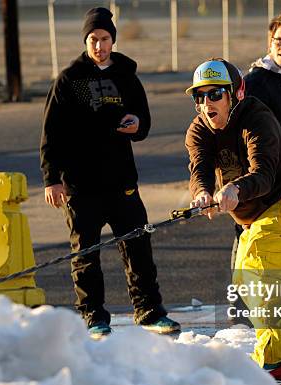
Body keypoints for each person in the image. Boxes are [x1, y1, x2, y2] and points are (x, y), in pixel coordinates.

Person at [185, 58, 281, 380]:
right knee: (246, 279)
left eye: (215, 94)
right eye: (199, 96)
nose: (206, 103)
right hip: (262, 215)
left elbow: (264, 175)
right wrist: (203, 193)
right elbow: (199, 169)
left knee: (261, 271)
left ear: (236, 93)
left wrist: (234, 189)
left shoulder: (256, 119)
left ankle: (277, 356)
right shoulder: (199, 129)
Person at [39, 7, 180, 339]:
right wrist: (51, 179)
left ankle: (148, 310)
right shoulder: (69, 80)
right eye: (93, 39)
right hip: (80, 185)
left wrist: (137, 126)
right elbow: (51, 134)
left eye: (104, 39)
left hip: (121, 183)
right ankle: (94, 316)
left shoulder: (127, 76)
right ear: (85, 41)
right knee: (85, 254)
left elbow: (143, 119)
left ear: (113, 40)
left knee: (138, 248)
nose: (99, 46)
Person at [228, 11, 281, 272]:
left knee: (272, 241)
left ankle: (266, 304)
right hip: (252, 174)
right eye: (278, 40)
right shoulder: (254, 82)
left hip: (280, 175)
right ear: (269, 44)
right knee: (245, 238)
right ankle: (238, 306)